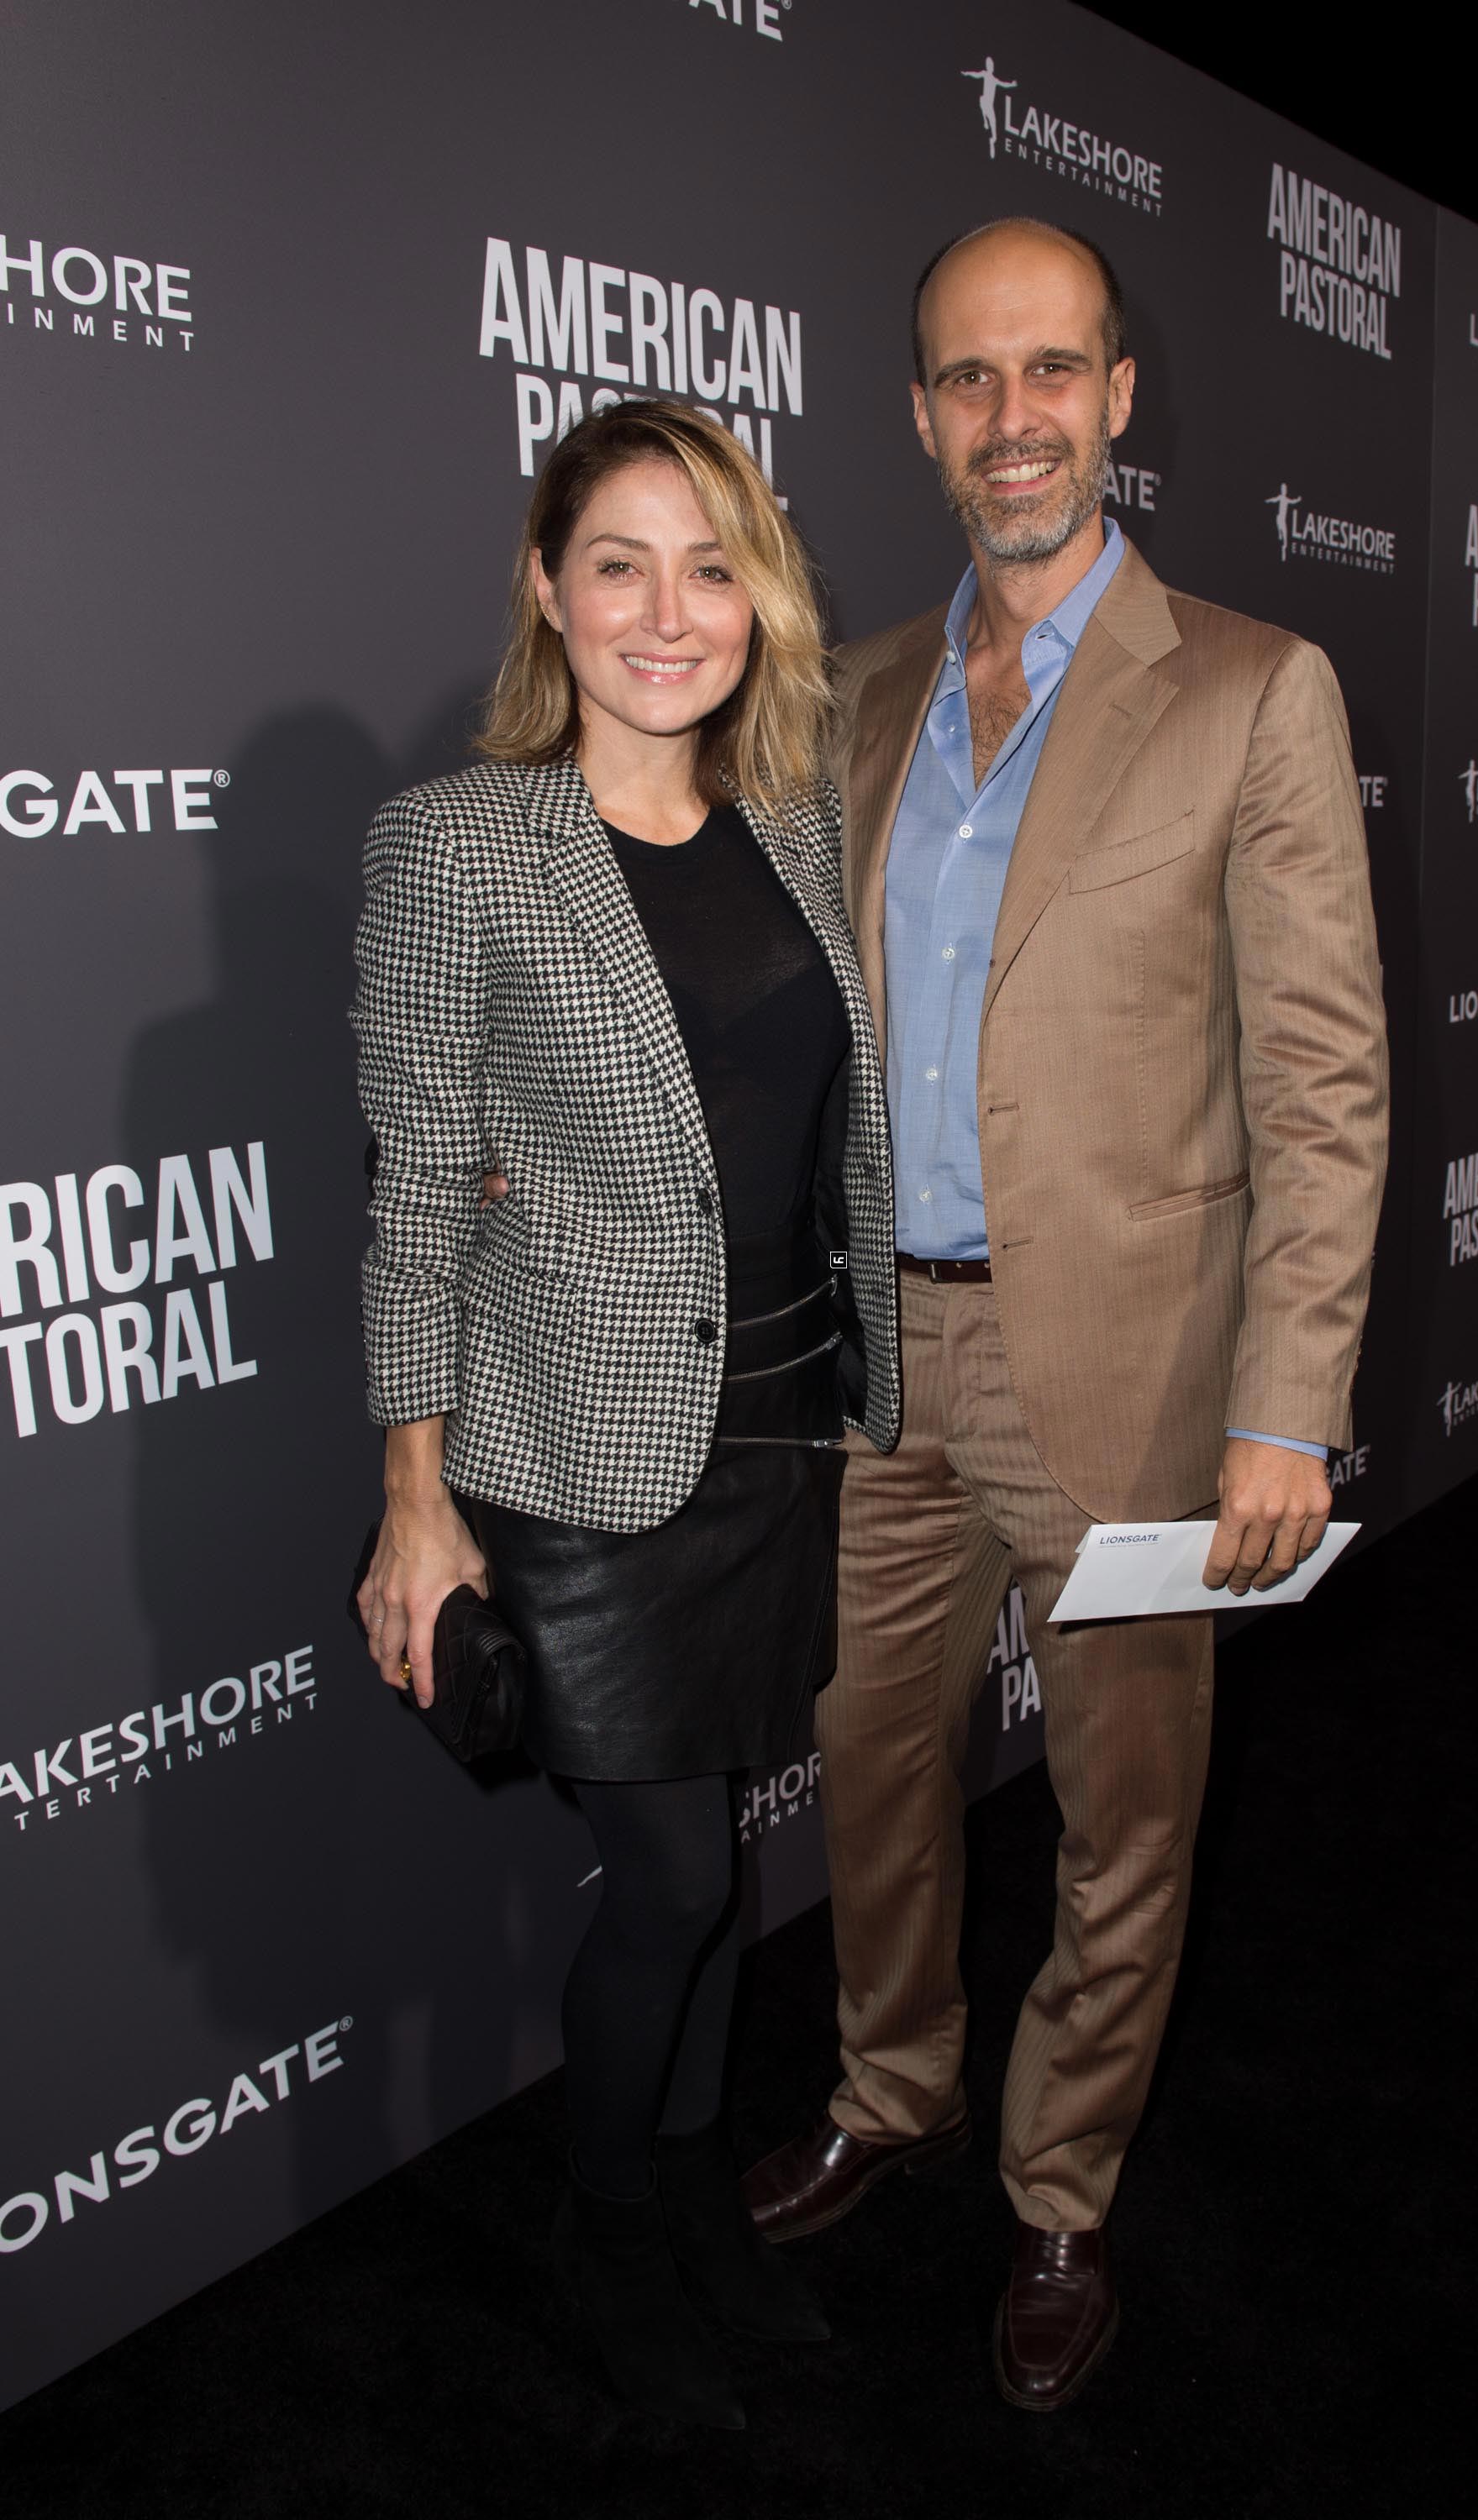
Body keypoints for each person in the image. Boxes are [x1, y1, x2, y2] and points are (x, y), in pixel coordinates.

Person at [742, 219, 1390, 2413]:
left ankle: (1059, 2187)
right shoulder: (859, 697)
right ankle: (885, 2084)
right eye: (964, 379)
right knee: (867, 1768)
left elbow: (1320, 1081)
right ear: (921, 418)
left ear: (1115, 397)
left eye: (1049, 372)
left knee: (1122, 1813)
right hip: (879, 1360)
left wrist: (1284, 1407)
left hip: (1119, 1373)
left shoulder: (1248, 688)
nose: (1008, 417)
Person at [351, 401, 900, 2431]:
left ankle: (683, 2197)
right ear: (548, 590)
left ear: (758, 593)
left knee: (724, 1875)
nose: (669, 611)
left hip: (776, 1441)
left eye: (710, 565)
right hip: (574, 1460)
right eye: (620, 564)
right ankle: (606, 2222)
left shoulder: (807, 826)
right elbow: (414, 1191)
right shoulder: (458, 841)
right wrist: (416, 1506)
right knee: (672, 1883)